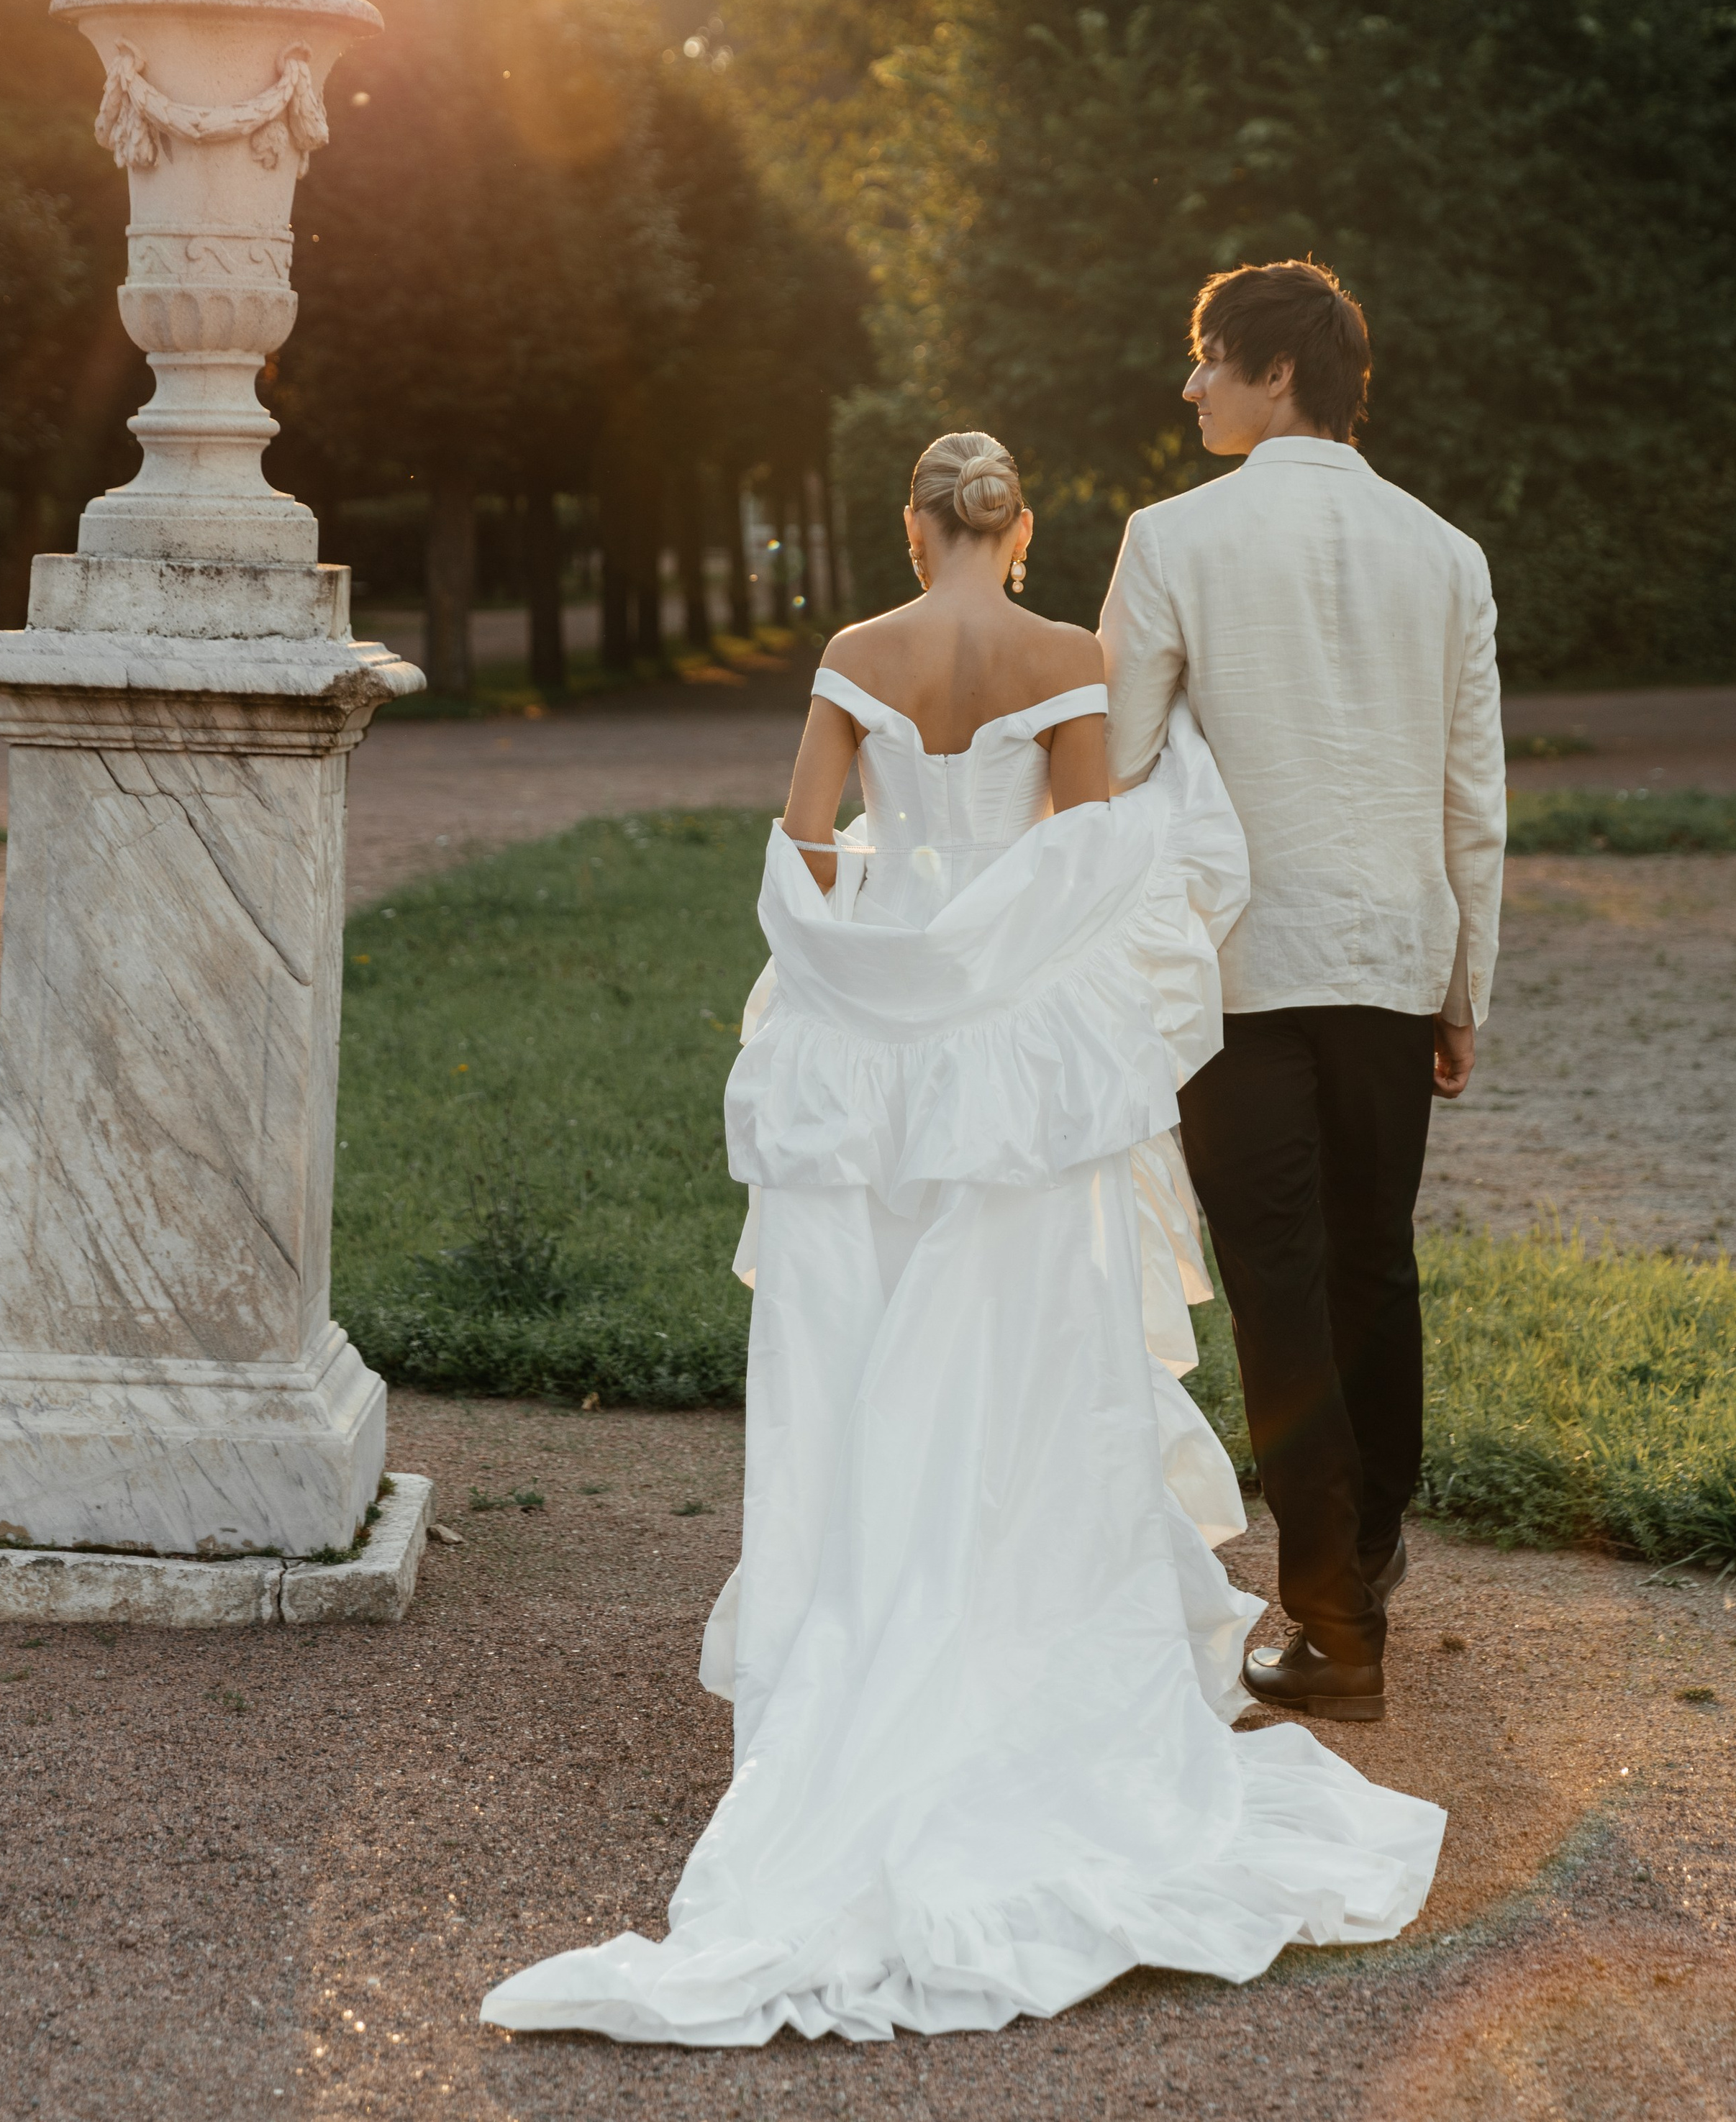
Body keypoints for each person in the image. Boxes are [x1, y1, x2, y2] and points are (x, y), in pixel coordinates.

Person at [481, 430, 1444, 2049]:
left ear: (911, 523)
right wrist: (1035, 935)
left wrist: (869, 950)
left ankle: (885, 1595)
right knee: (1037, 1335)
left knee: (883, 1325)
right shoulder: (1066, 653)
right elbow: (1074, 863)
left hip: (888, 1053)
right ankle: (1026, 1613)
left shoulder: (858, 653)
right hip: (1018, 1061)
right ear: (1014, 532)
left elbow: (799, 843)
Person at [1100, 261, 1508, 1723]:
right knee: (1370, 1260)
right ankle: (1366, 1555)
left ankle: (1333, 1618)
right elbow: (1474, 797)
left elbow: (1116, 764)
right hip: (1393, 960)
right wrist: (1464, 984)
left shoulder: (1168, 539)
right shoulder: (1445, 554)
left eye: (1205, 357)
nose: (1189, 384)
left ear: (1276, 372)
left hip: (1240, 969)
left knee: (1278, 1276)